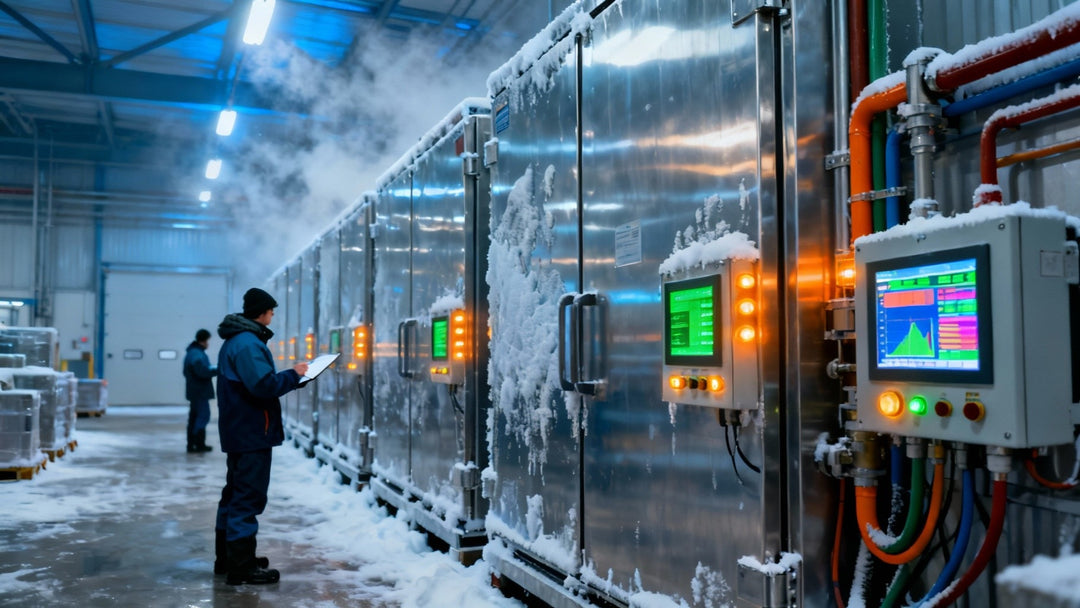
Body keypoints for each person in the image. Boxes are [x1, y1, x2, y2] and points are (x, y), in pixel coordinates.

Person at [213, 287, 308, 585]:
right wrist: (294, 375)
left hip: (241, 430)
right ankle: (241, 568)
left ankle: (229, 558)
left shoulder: (238, 341)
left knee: (234, 494)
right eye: (271, 310)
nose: (273, 315)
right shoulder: (247, 343)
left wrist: (292, 379)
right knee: (247, 498)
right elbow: (263, 386)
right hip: (251, 431)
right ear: (262, 312)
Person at [183, 328, 217, 453]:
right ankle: (197, 443)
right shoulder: (197, 354)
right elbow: (202, 371)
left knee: (195, 417)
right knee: (202, 416)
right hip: (199, 392)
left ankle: (193, 444)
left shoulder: (192, 352)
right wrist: (218, 370)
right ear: (203, 341)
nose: (208, 344)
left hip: (195, 391)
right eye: (208, 341)